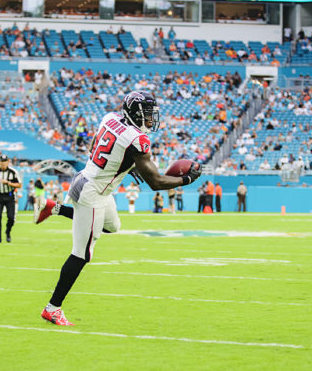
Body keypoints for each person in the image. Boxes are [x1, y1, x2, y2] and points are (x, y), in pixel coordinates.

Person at [33, 90, 202, 326]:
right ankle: (53, 308)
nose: (150, 119)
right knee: (80, 254)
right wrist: (185, 180)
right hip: (93, 192)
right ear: (134, 113)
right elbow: (155, 182)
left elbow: (98, 146)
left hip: (92, 181)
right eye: (146, 114)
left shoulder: (110, 118)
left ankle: (54, 209)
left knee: (113, 226)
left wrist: (126, 162)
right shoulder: (138, 139)